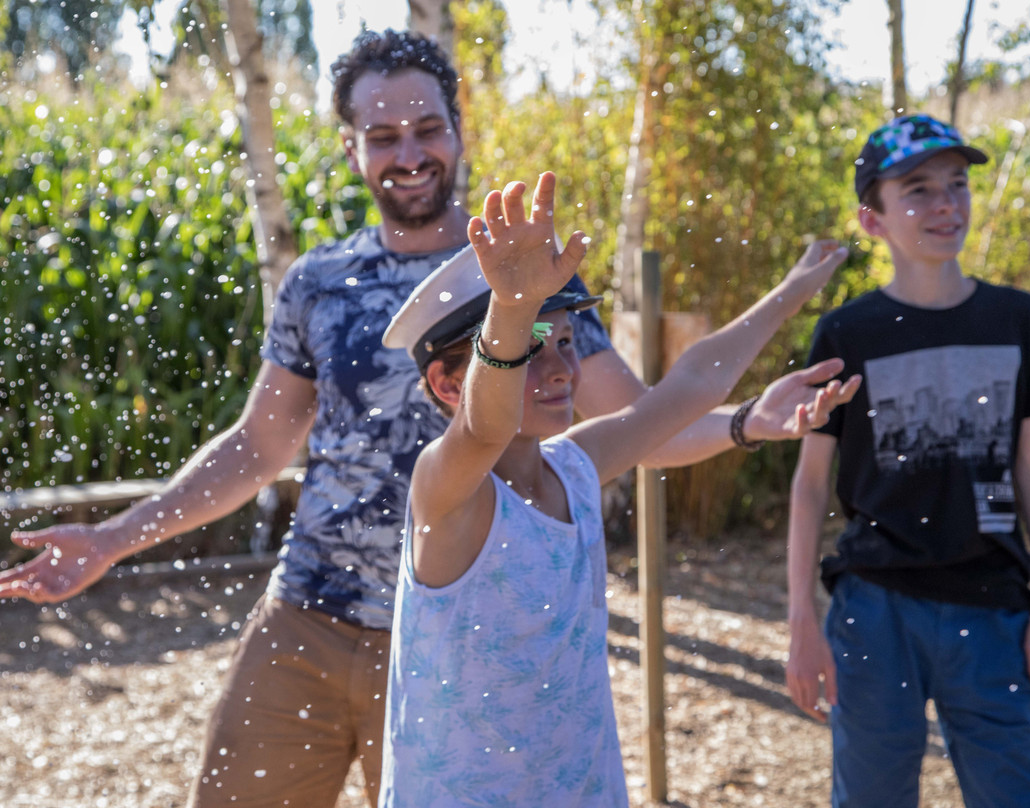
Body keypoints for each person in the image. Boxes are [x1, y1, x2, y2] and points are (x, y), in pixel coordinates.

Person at [0, 29, 856, 808]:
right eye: (382, 135)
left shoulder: (533, 281)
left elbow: (640, 421)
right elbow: (259, 447)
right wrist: (113, 539)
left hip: (460, 645)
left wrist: (745, 421)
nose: (408, 152)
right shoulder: (318, 283)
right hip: (308, 615)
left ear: (458, 130)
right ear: (351, 150)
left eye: (425, 127)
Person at [376, 170, 860, 806]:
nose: (561, 370)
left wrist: (788, 303)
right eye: (533, 348)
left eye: (570, 343)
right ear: (447, 384)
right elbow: (485, 425)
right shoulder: (447, 492)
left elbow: (686, 391)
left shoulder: (574, 467)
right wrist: (513, 310)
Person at [784, 113, 1030, 808]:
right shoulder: (845, 331)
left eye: (957, 185)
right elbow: (808, 486)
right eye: (918, 191)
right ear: (873, 219)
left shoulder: (1018, 320)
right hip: (875, 609)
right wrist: (800, 619)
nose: (946, 205)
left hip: (995, 610)